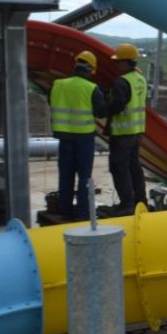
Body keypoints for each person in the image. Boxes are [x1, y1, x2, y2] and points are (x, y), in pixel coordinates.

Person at [50, 51, 107, 221]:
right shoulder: (91, 88)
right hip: (84, 139)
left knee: (65, 176)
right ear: (90, 70)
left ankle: (65, 211)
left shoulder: (58, 84)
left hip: (64, 138)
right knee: (84, 178)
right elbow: (101, 112)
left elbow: (51, 101)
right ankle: (83, 213)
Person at [106, 43, 149, 216]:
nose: (117, 66)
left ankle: (126, 204)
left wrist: (103, 107)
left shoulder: (122, 82)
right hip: (136, 131)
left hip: (122, 133)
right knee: (134, 167)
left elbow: (117, 106)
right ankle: (140, 200)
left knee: (119, 168)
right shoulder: (140, 79)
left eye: (118, 62)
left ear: (125, 62)